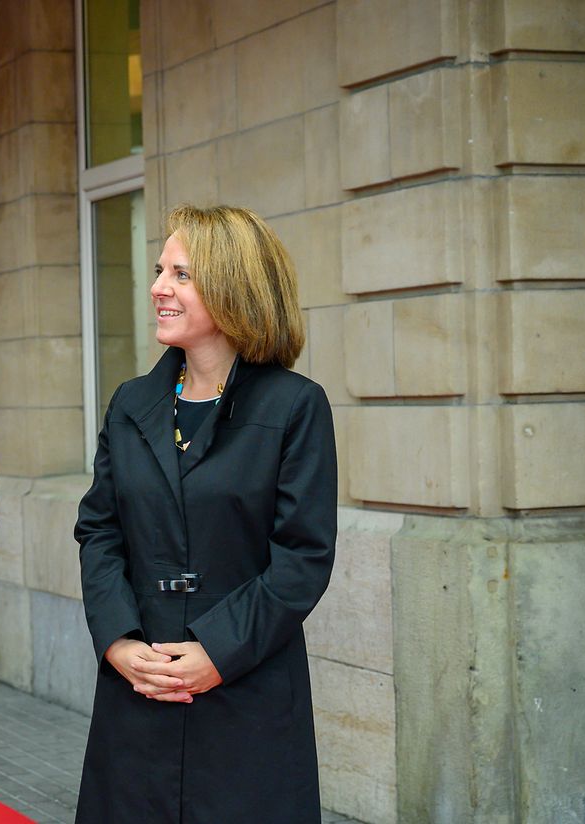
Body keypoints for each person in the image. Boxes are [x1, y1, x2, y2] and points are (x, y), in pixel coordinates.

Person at [74, 204, 337, 822]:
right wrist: (118, 642)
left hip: (246, 687)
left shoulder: (295, 406)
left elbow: (302, 557)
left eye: (181, 274)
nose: (158, 288)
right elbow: (100, 530)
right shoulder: (131, 403)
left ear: (233, 287)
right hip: (139, 684)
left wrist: (216, 653)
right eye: (159, 271)